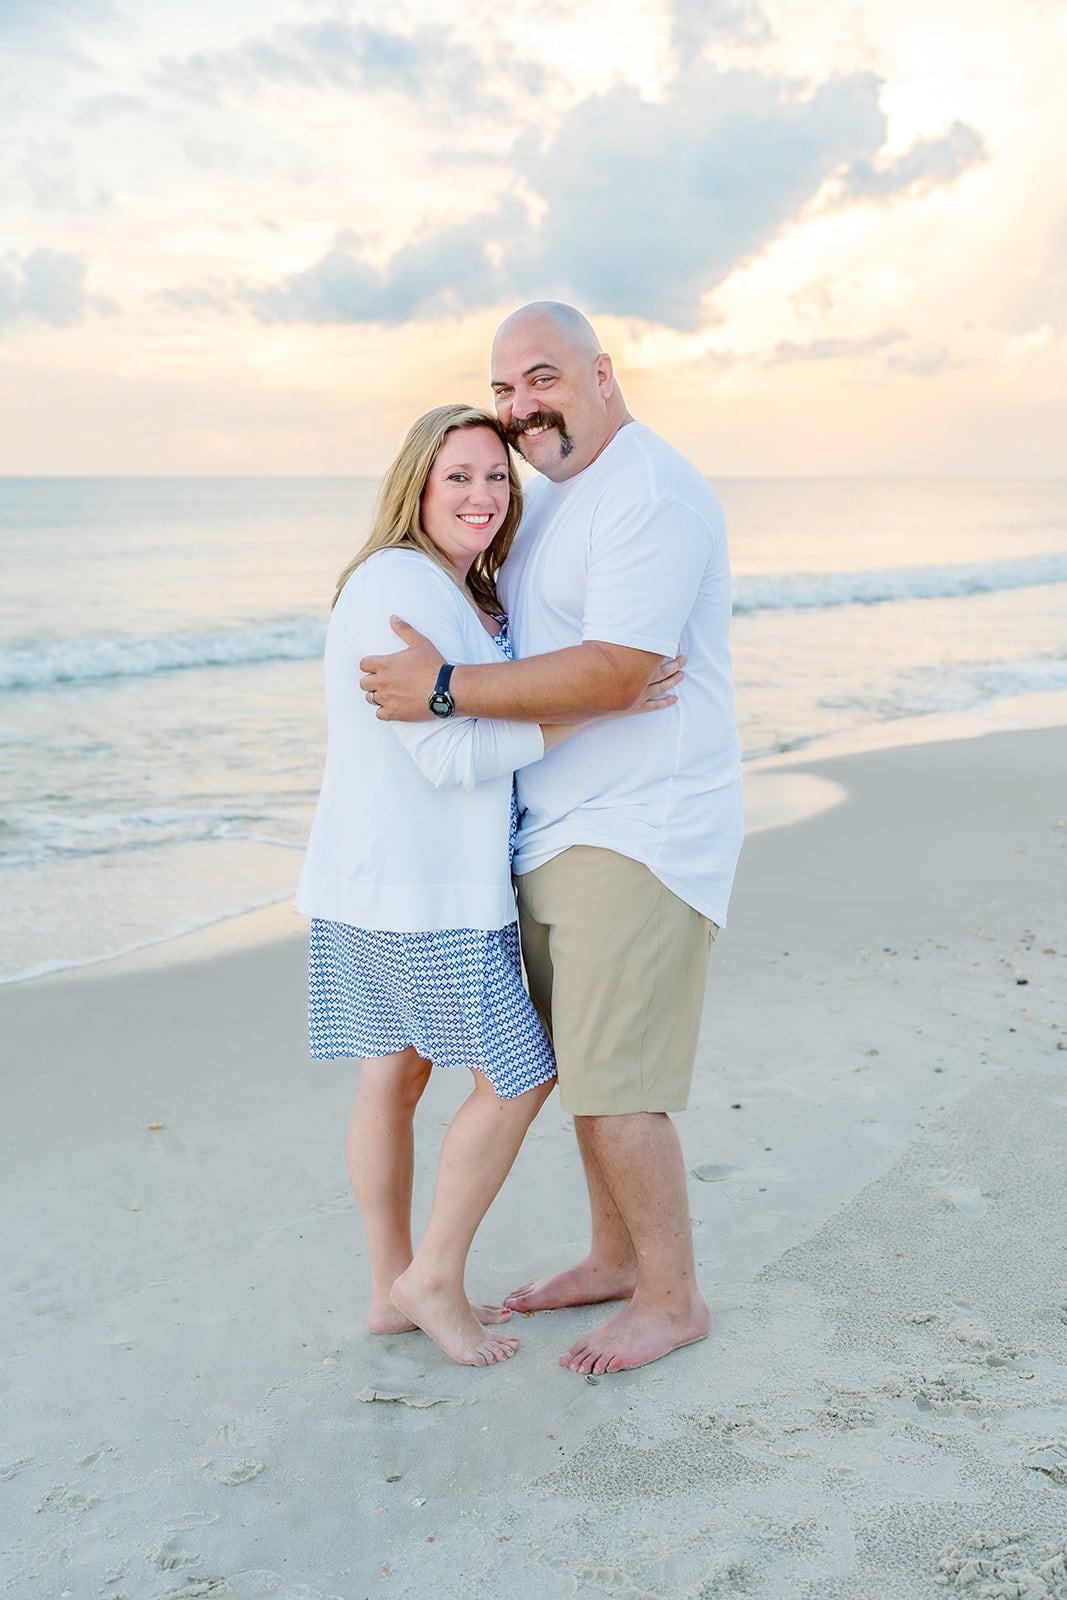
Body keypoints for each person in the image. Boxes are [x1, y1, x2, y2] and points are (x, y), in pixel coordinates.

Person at [358, 304, 744, 1377]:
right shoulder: (567, 497)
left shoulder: (648, 495)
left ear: (601, 373)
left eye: (541, 379)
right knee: (583, 1066)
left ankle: (671, 1298)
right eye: (505, 391)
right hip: (559, 826)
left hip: (640, 826)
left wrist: (441, 689)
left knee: (616, 1080)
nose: (522, 408)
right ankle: (614, 1258)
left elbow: (620, 668)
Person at [295, 402, 679, 1369]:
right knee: (521, 1074)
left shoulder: (449, 588)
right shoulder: (406, 590)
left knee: (394, 1071)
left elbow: (449, 719)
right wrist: (598, 707)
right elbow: (448, 758)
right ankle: (430, 1277)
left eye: (495, 478)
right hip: (421, 893)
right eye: (458, 476)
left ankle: (391, 1288)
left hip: (364, 881)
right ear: (416, 485)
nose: (481, 494)